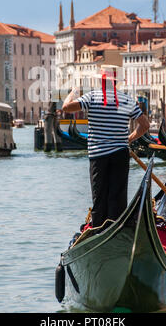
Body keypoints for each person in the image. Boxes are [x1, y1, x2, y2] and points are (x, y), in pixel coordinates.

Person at [62, 66, 150, 228]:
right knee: (117, 197)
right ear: (115, 83)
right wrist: (128, 139)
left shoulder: (92, 97)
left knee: (99, 197)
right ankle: (116, 228)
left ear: (101, 81)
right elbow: (145, 125)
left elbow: (66, 108)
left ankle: (98, 230)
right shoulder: (126, 100)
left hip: (98, 155)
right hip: (120, 154)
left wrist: (73, 92)